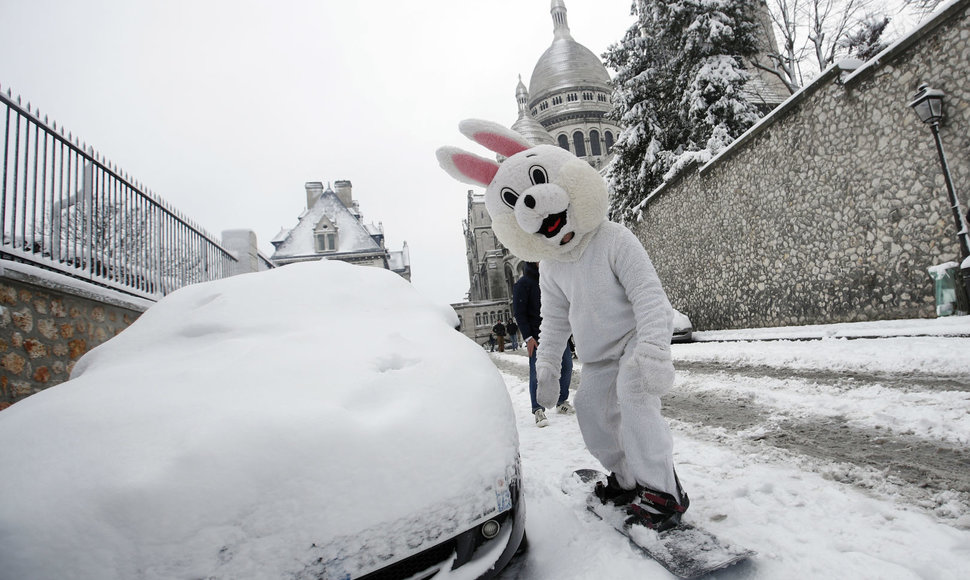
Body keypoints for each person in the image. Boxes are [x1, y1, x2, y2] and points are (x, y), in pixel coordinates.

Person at [437, 118, 688, 532]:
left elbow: (648, 294)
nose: (536, 206)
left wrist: (655, 350)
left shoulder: (613, 238)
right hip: (599, 356)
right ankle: (628, 480)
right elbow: (553, 321)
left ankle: (664, 492)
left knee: (635, 399)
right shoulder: (552, 267)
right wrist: (548, 367)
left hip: (635, 341)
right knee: (591, 411)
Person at [513, 262, 574, 428]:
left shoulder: (552, 278)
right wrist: (528, 337)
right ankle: (538, 409)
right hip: (537, 337)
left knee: (567, 367)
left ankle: (561, 401)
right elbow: (519, 313)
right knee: (537, 373)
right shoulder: (523, 283)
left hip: (557, 333)